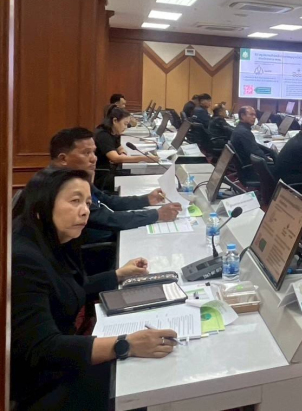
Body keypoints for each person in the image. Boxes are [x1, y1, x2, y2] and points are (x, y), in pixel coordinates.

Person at [11, 169, 177, 410]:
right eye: (75, 201)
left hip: (64, 353)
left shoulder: (54, 238)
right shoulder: (23, 260)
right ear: (42, 205)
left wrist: (118, 274)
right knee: (149, 381)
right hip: (42, 380)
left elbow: (67, 288)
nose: (85, 211)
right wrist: (125, 344)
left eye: (88, 203)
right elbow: (42, 348)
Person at [48, 128, 180, 238]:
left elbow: (109, 201)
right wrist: (157, 214)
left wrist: (147, 199)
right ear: (63, 159)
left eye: (93, 152)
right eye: (86, 153)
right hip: (95, 250)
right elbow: (108, 219)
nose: (94, 159)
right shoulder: (61, 188)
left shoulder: (74, 177)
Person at [93, 107, 156, 191]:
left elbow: (120, 148)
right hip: (103, 177)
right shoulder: (103, 135)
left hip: (111, 170)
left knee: (140, 177)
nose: (126, 127)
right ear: (115, 121)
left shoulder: (113, 132)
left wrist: (122, 155)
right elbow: (115, 158)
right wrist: (146, 158)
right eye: (125, 124)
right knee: (138, 181)